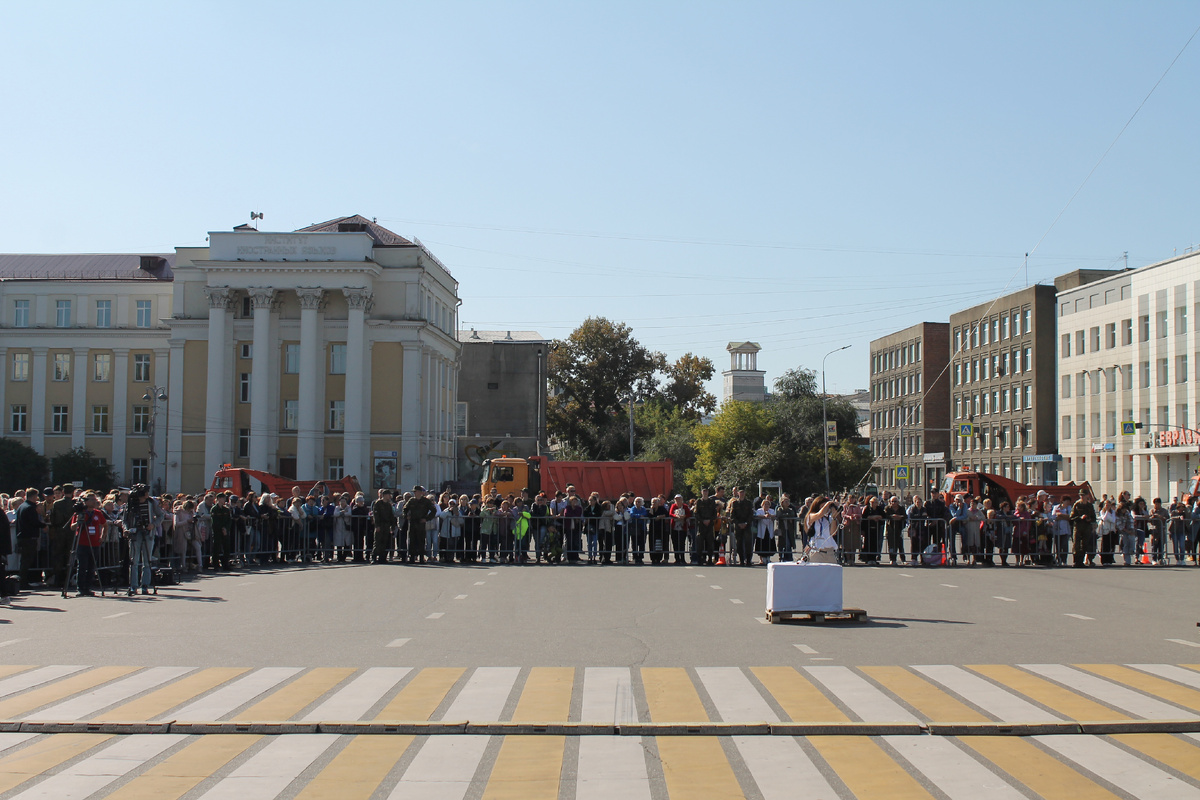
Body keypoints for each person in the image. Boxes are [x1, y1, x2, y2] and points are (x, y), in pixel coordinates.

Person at [71, 492, 106, 596]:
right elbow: (72, 527)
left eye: (94, 499)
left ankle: (88, 587)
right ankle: (80, 588)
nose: (94, 501)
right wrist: (78, 521)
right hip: (82, 543)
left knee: (91, 567)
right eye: (91, 499)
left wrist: (102, 537)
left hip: (95, 543)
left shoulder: (98, 513)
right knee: (82, 566)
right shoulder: (79, 512)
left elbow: (105, 525)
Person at [15, 488, 46, 588]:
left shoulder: (22, 506)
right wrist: (43, 525)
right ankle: (23, 582)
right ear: (34, 496)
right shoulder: (30, 508)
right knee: (27, 561)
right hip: (29, 537)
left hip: (22, 536)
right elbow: (34, 522)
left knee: (24, 560)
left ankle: (23, 580)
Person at [47, 485, 76, 589]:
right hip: (71, 531)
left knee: (58, 555)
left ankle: (57, 579)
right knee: (70, 555)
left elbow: (53, 518)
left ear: (63, 491)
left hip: (59, 531)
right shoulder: (75, 504)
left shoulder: (57, 503)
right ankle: (69, 578)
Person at [402, 486, 437, 564]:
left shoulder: (426, 501)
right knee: (412, 540)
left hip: (421, 523)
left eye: (416, 491)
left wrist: (427, 518)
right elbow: (405, 509)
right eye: (414, 492)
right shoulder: (411, 500)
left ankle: (421, 557)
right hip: (413, 522)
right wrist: (406, 516)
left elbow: (433, 510)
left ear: (420, 492)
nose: (415, 493)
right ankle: (412, 557)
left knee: (421, 540)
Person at [804, 496, 840, 563]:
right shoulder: (810, 516)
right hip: (817, 552)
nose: (826, 509)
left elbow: (832, 533)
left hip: (829, 551)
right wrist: (829, 503)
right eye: (823, 506)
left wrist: (834, 517)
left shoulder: (827, 518)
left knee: (833, 572)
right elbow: (820, 514)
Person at [1070, 491, 1098, 568]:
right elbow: (1072, 517)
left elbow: (1093, 517)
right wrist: (1080, 517)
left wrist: (1089, 519)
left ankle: (1081, 561)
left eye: (1083, 495)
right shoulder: (1077, 504)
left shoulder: (1089, 505)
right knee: (1076, 544)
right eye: (1080, 495)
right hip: (1078, 526)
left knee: (1084, 545)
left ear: (1087, 496)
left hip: (1087, 527)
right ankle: (1076, 561)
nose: (1081, 497)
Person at [728, 489, 755, 567]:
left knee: (748, 543)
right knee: (739, 543)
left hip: (747, 525)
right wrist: (738, 523)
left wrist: (746, 523)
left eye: (743, 492)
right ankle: (742, 560)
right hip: (738, 525)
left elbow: (751, 514)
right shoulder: (735, 503)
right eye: (740, 492)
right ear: (738, 493)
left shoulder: (749, 503)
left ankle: (748, 560)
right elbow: (732, 515)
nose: (742, 494)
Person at [694, 488, 719, 566]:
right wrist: (702, 520)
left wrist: (709, 520)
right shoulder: (698, 502)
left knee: (710, 542)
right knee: (700, 543)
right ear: (701, 492)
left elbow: (714, 513)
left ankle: (710, 560)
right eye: (704, 491)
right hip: (701, 525)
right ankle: (700, 559)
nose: (705, 493)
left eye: (706, 491)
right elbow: (696, 513)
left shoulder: (711, 501)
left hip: (709, 525)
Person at [370, 489, 396, 564]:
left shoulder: (388, 504)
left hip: (387, 525)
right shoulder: (378, 503)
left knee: (385, 542)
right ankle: (374, 557)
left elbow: (391, 516)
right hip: (380, 525)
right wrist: (377, 525)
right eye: (388, 495)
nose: (389, 496)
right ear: (384, 495)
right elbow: (376, 515)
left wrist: (392, 526)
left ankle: (382, 558)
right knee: (377, 542)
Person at [883, 495, 907, 565]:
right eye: (892, 501)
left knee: (900, 545)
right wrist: (892, 517)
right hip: (890, 529)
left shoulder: (901, 508)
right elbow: (885, 515)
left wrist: (899, 517)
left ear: (898, 502)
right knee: (891, 545)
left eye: (895, 501)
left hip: (899, 528)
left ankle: (903, 559)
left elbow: (905, 516)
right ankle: (892, 559)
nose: (893, 503)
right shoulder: (887, 508)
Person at [775, 494, 798, 562]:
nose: (787, 503)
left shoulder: (790, 509)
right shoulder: (779, 509)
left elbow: (792, 514)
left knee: (788, 543)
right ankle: (781, 556)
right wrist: (786, 516)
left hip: (789, 529)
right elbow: (779, 515)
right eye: (786, 501)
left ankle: (788, 557)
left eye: (788, 501)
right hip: (781, 529)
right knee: (781, 543)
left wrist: (786, 516)